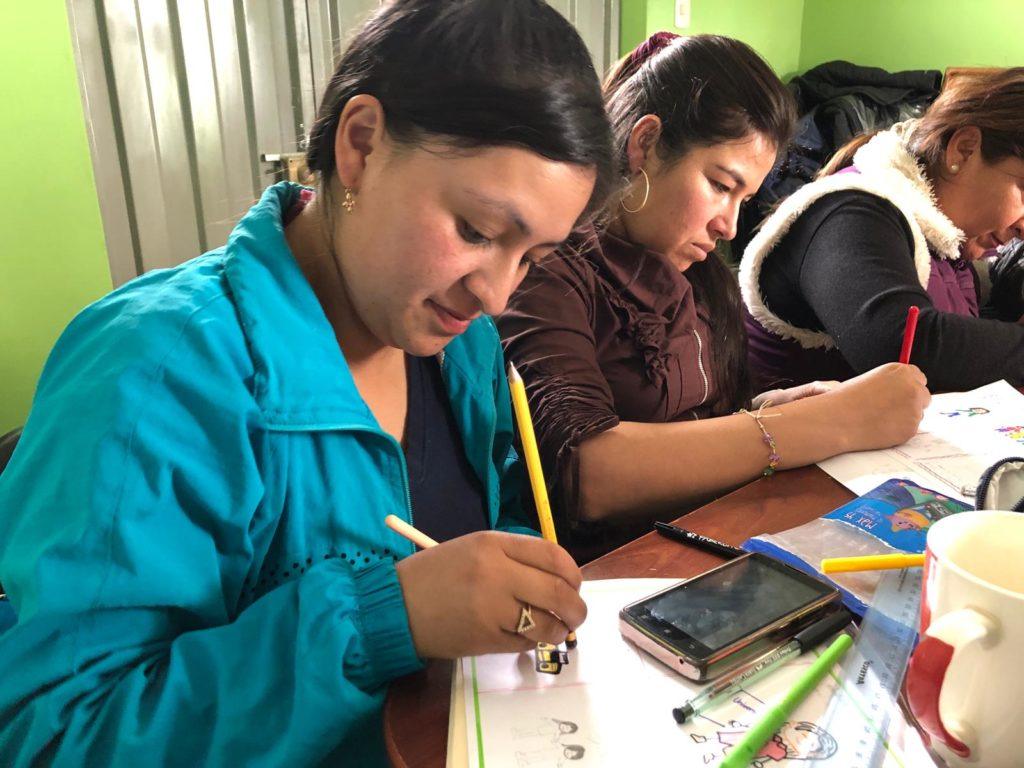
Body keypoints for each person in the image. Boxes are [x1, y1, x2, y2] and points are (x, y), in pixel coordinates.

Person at [0, 2, 615, 765]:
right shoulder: (156, 370)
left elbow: (479, 534)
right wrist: (385, 620)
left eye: (533, 257)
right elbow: (54, 735)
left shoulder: (464, 351)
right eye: (476, 231)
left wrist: (515, 573)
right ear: (360, 145)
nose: (495, 294)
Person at [498, 33, 929, 562]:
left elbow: (699, 418)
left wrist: (764, 410)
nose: (728, 226)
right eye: (721, 185)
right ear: (646, 144)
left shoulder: (698, 273)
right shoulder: (547, 267)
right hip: (607, 579)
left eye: (744, 199)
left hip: (705, 540)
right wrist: (822, 425)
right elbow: (586, 474)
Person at [740, 68, 1024, 393]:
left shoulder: (945, 242)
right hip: (788, 442)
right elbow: (904, 347)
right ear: (964, 149)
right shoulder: (851, 211)